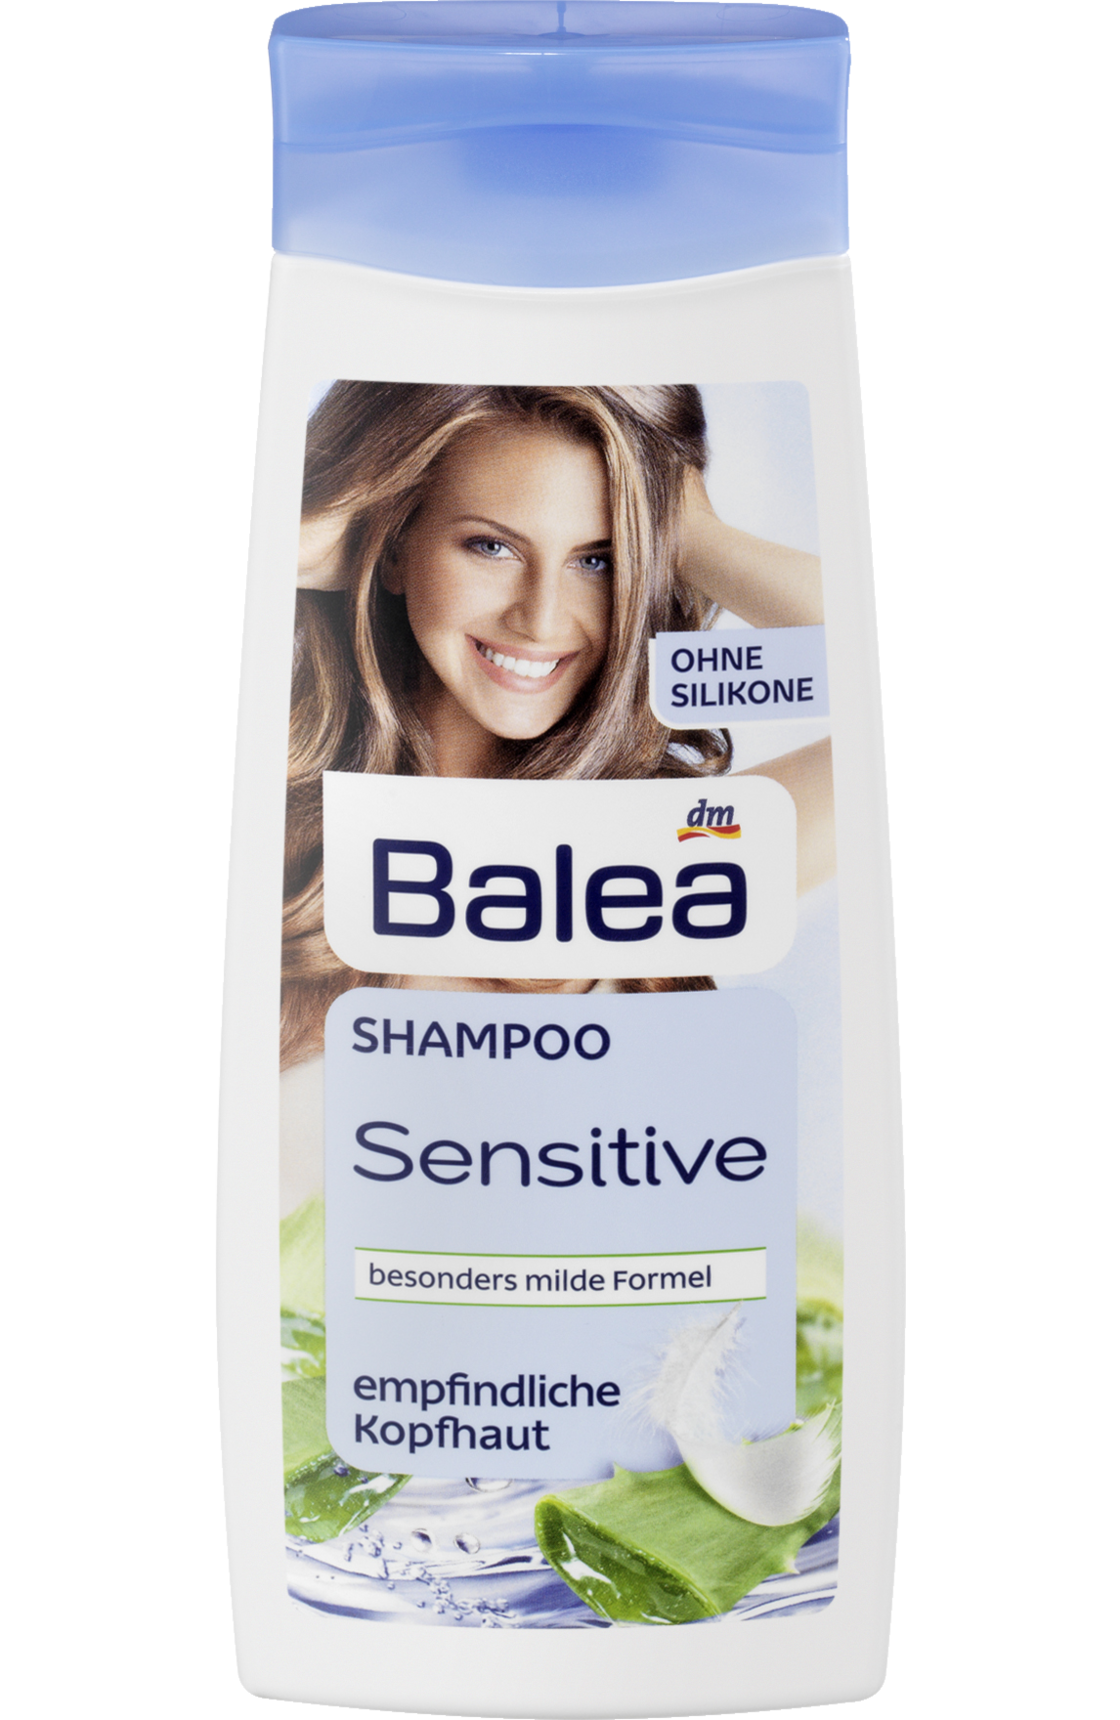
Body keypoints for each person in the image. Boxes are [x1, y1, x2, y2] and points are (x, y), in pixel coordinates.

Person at [282, 384, 834, 1115]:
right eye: (492, 546)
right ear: (392, 546)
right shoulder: (275, 827)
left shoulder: (665, 860)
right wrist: (297, 535)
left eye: (598, 560)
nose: (540, 619)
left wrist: (687, 531)